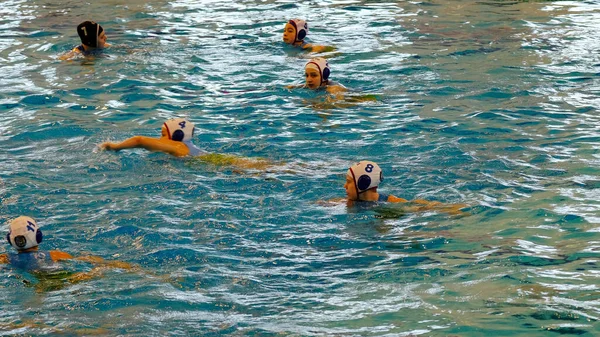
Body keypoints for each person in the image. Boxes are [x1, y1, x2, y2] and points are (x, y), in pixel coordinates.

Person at [1, 216, 132, 290]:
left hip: (40, 280)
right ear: (38, 236)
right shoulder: (56, 255)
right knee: (98, 270)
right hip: (64, 276)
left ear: (10, 240)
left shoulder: (6, 258)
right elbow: (85, 259)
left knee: (39, 288)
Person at [99, 118, 271, 170]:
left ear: (176, 135)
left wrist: (114, 146)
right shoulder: (186, 147)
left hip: (223, 163)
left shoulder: (177, 147)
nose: (159, 140)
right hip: (223, 161)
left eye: (162, 134)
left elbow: (139, 140)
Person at [342, 161, 468, 215]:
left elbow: (418, 205)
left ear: (363, 183)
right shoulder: (348, 202)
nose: (345, 186)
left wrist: (446, 209)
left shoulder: (389, 201)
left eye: (348, 182)